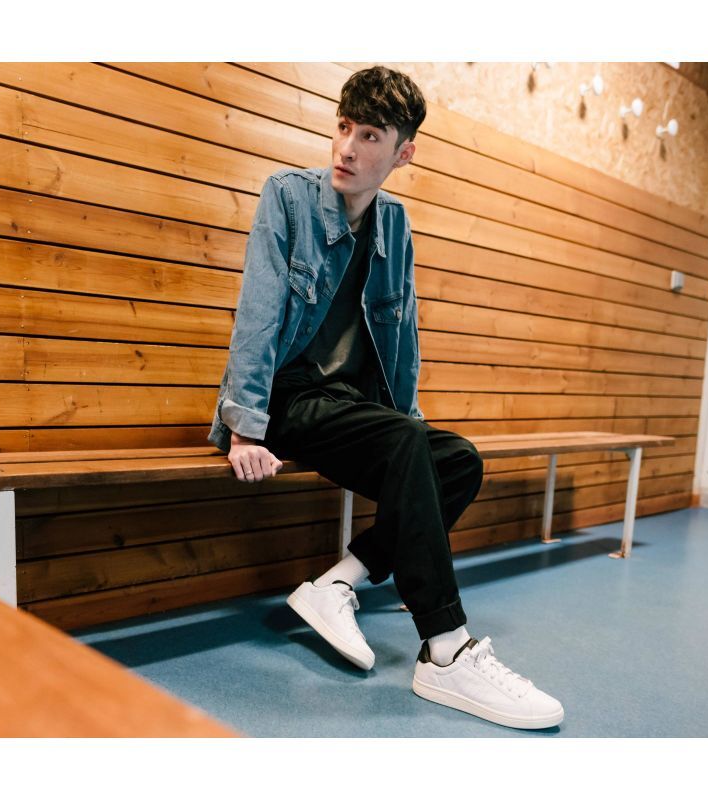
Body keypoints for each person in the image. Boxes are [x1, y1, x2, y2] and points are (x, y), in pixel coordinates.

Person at [208, 66, 564, 730]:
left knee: (458, 461)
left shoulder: (394, 225)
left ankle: (338, 582)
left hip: (348, 406)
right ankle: (446, 649)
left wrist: (411, 427)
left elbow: (404, 338)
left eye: (370, 135)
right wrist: (246, 427)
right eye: (344, 127)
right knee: (408, 443)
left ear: (404, 153)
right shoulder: (288, 198)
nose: (346, 148)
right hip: (286, 400)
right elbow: (257, 313)